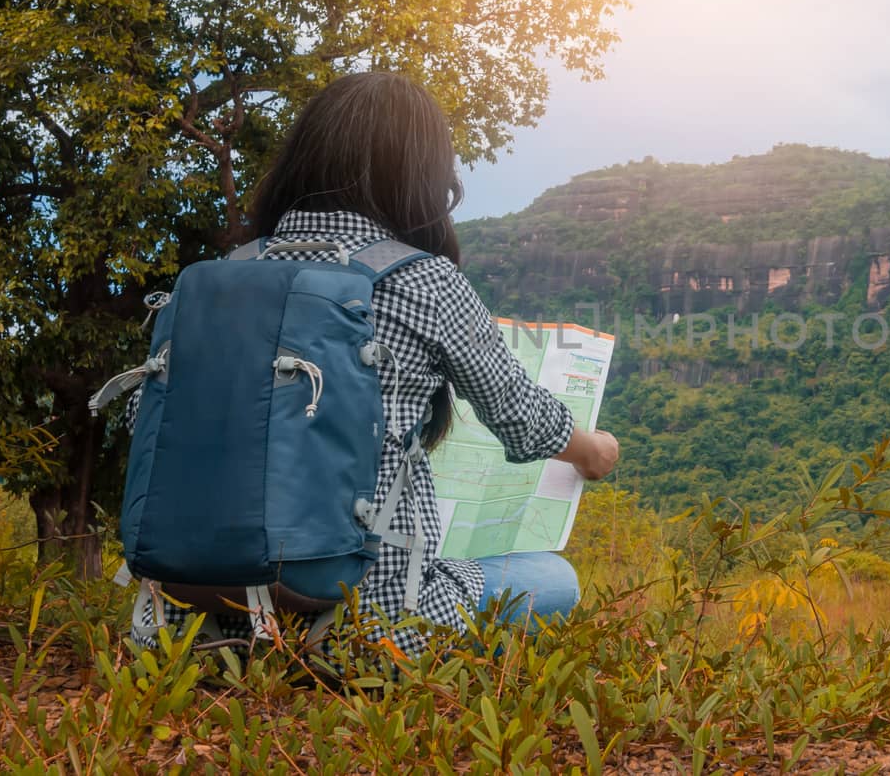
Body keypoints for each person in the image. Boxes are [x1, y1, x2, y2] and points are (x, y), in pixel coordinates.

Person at [135, 72, 619, 653]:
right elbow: (518, 412)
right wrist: (592, 450)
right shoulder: (425, 279)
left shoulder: (221, 278)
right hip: (369, 628)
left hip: (194, 622)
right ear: (419, 176)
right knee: (553, 579)